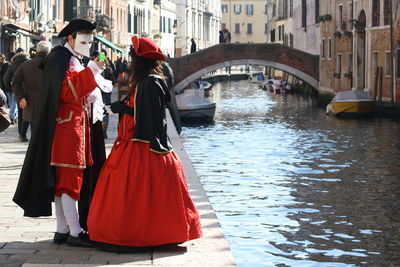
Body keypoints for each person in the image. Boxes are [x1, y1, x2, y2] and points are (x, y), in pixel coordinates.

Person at [87, 35, 202, 251]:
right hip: (135, 143)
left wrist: (124, 109)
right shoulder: (148, 81)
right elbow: (146, 110)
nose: (130, 63)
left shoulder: (149, 83)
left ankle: (138, 235)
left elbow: (147, 116)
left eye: (133, 59)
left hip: (143, 146)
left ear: (140, 61)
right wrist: (124, 106)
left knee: (135, 192)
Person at [13, 18, 106, 247]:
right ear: (70, 38)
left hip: (73, 125)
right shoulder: (60, 59)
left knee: (65, 180)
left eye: (89, 41)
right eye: (83, 40)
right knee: (69, 180)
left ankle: (62, 229)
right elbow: (67, 92)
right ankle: (74, 232)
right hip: (67, 128)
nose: (87, 46)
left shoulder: (69, 58)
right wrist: (92, 70)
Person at [12, 41, 52, 134]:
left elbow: (15, 82)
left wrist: (21, 97)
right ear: (49, 51)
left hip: (31, 103)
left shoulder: (26, 64)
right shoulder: (52, 65)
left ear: (37, 50)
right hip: (48, 102)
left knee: (35, 134)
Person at [4, 49, 30, 139]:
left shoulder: (13, 65)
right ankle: (26, 133)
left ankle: (21, 134)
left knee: (20, 112)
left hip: (18, 91)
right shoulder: (30, 62)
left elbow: (6, 79)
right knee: (30, 112)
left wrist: (10, 89)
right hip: (30, 91)